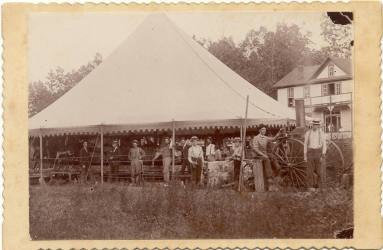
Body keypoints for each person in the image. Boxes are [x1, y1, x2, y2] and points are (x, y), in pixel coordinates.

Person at [251, 125, 281, 190]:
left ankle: (277, 169)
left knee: (273, 156)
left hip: (265, 153)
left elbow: (273, 139)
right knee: (267, 159)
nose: (264, 131)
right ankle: (270, 180)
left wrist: (278, 134)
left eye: (265, 129)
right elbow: (255, 149)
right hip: (257, 155)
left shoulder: (265, 137)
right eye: (262, 129)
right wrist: (263, 155)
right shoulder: (256, 138)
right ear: (259, 130)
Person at [304, 119, 327, 190]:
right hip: (310, 152)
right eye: (314, 125)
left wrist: (323, 154)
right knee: (309, 171)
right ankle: (310, 187)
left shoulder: (321, 133)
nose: (315, 126)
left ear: (318, 126)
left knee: (320, 171)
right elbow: (305, 144)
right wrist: (305, 155)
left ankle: (320, 187)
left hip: (318, 152)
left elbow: (324, 144)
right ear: (312, 125)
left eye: (317, 125)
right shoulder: (308, 133)